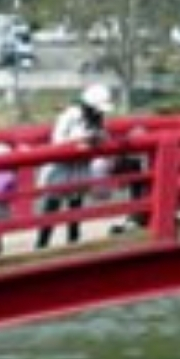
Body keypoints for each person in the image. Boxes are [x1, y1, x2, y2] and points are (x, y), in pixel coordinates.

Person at [35, 83, 112, 249]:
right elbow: (57, 141)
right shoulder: (69, 116)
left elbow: (106, 138)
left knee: (76, 204)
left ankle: (73, 241)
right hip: (61, 168)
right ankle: (42, 244)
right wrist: (80, 141)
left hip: (80, 167)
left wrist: (98, 139)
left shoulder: (97, 120)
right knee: (52, 207)